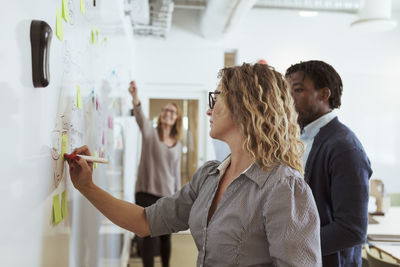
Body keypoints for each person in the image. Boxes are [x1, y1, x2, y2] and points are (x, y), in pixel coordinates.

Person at [67, 63, 322, 266]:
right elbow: (144, 222)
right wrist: (87, 187)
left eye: (216, 98)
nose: (210, 110)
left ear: (245, 106)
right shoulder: (210, 176)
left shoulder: (283, 188)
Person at [285, 60, 372, 267]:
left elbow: (352, 230)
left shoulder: (345, 147)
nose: (288, 100)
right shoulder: (301, 139)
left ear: (324, 94)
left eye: (297, 90)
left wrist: (291, 245)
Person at [128, 81, 182, 267]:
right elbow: (140, 117)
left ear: (176, 118)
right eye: (165, 110)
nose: (168, 113)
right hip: (146, 193)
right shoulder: (150, 133)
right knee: (148, 238)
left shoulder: (177, 144)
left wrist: (177, 199)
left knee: (166, 238)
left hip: (166, 196)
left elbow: (175, 174)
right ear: (161, 115)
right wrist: (135, 97)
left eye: (172, 112)